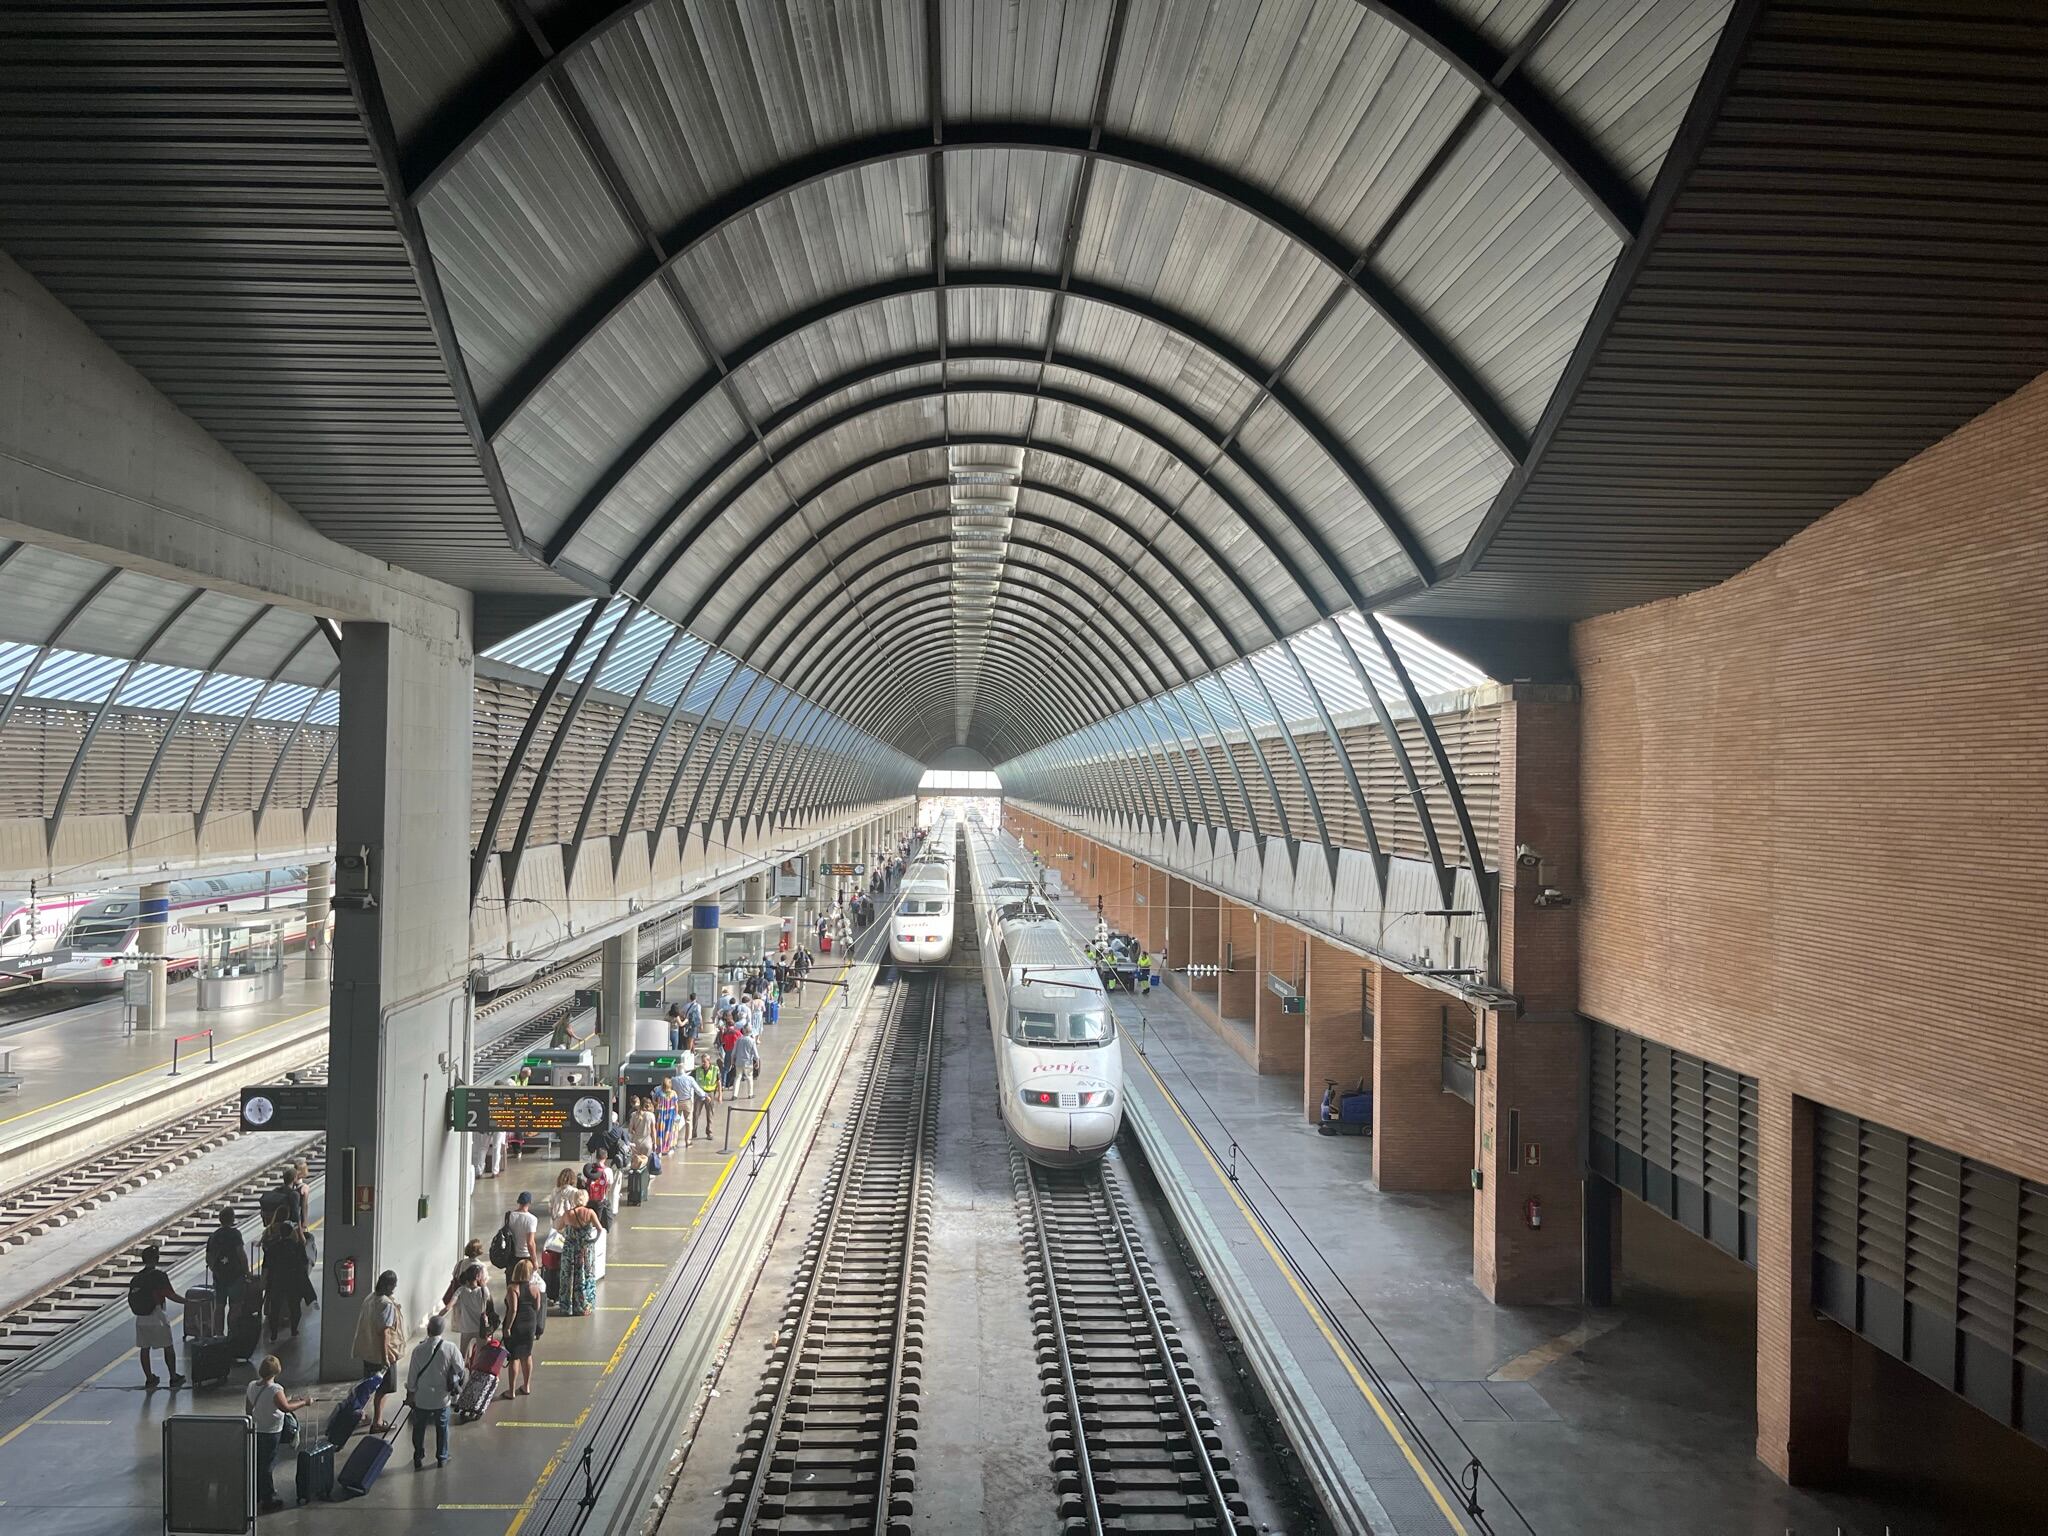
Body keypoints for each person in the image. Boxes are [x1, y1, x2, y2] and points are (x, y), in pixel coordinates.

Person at [245, 1355, 310, 1512]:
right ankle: (268, 1498)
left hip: (255, 1430)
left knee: (258, 1462)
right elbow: (286, 1408)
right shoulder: (276, 1389)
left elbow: (249, 1409)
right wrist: (304, 1402)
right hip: (271, 1431)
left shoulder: (252, 1385)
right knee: (268, 1464)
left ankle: (256, 1493)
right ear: (276, 1371)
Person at [404, 1315, 466, 1471]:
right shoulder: (450, 1348)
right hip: (442, 1398)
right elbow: (460, 1368)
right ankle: (442, 1457)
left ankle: (418, 1456)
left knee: (419, 1428)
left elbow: (412, 1376)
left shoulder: (418, 1350)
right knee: (442, 1427)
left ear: (428, 1329)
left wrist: (410, 1394)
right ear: (442, 1330)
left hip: (422, 1398)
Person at [350, 1269, 404, 1431]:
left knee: (368, 1386)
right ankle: (378, 1422)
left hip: (368, 1351)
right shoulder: (386, 1305)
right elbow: (385, 1332)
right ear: (391, 1286)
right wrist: (385, 1357)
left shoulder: (370, 1298)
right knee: (383, 1388)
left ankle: (361, 1415)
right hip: (381, 1354)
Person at [128, 1244, 184, 1389]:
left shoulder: (136, 1278)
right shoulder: (159, 1276)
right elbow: (170, 1294)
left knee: (144, 1348)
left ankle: (149, 1379)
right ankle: (173, 1377)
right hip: (157, 1316)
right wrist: (187, 1302)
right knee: (168, 1346)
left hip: (140, 1318)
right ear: (157, 1259)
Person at [260, 1216, 311, 1342]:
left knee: (275, 1308)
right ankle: (294, 1330)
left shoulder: (272, 1248)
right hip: (293, 1280)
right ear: (291, 1233)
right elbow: (304, 1263)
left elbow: (266, 1266)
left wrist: (263, 1282)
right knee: (294, 1307)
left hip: (276, 1281)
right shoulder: (297, 1247)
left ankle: (274, 1333)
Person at [205, 1205, 249, 1333]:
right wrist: (247, 1272)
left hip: (219, 1277)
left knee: (219, 1306)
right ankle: (232, 1331)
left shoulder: (213, 1236)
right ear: (232, 1219)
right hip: (235, 1275)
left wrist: (216, 1270)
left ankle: (218, 1333)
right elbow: (241, 1254)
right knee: (235, 1305)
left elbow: (208, 1258)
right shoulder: (235, 1234)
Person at [501, 1260, 542, 1395]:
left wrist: (507, 1327)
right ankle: (526, 1386)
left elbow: (513, 1310)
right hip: (530, 1323)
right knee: (527, 1355)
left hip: (517, 1324)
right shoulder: (535, 1289)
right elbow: (537, 1307)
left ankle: (511, 1391)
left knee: (514, 1356)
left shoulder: (513, 1288)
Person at [557, 1190, 601, 1317]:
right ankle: (583, 1305)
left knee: (568, 1277)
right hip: (585, 1249)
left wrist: (567, 1234)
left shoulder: (567, 1214)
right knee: (585, 1275)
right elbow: (599, 1229)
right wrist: (593, 1241)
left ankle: (568, 1306)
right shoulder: (590, 1213)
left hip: (570, 1250)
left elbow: (559, 1228)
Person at [438, 1262, 493, 1356]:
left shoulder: (461, 1290)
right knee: (480, 1355)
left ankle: (464, 1368)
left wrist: (437, 1317)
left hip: (466, 1328)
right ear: (478, 1277)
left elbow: (448, 1307)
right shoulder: (483, 1291)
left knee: (462, 1355)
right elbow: (489, 1304)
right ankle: (475, 1369)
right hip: (481, 1328)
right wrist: (483, 1283)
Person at [502, 1191, 541, 1276]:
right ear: (529, 1203)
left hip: (511, 1256)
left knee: (511, 1283)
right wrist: (535, 1261)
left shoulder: (509, 1216)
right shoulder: (532, 1219)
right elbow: (530, 1242)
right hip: (525, 1256)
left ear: (518, 1202)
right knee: (524, 1284)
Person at [729, 1026, 759, 1100]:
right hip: (748, 1063)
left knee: (737, 1077)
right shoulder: (752, 1041)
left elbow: (733, 1053)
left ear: (744, 1031)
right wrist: (757, 1062)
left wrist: (732, 1061)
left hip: (738, 1062)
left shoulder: (739, 1040)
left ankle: (734, 1095)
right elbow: (756, 1054)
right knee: (749, 1078)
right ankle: (750, 1094)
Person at [654, 1077, 681, 1156]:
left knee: (660, 1131)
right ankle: (668, 1147)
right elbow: (676, 1105)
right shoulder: (674, 1093)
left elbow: (656, 1102)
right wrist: (676, 1114)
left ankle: (660, 1148)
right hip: (670, 1114)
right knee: (669, 1131)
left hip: (661, 1114)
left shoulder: (659, 1093)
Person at [627, 1095, 657, 1161]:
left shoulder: (633, 1114)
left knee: (636, 1163)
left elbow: (630, 1130)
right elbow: (653, 1131)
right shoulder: (651, 1115)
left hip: (636, 1142)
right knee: (646, 1163)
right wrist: (654, 1143)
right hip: (647, 1143)